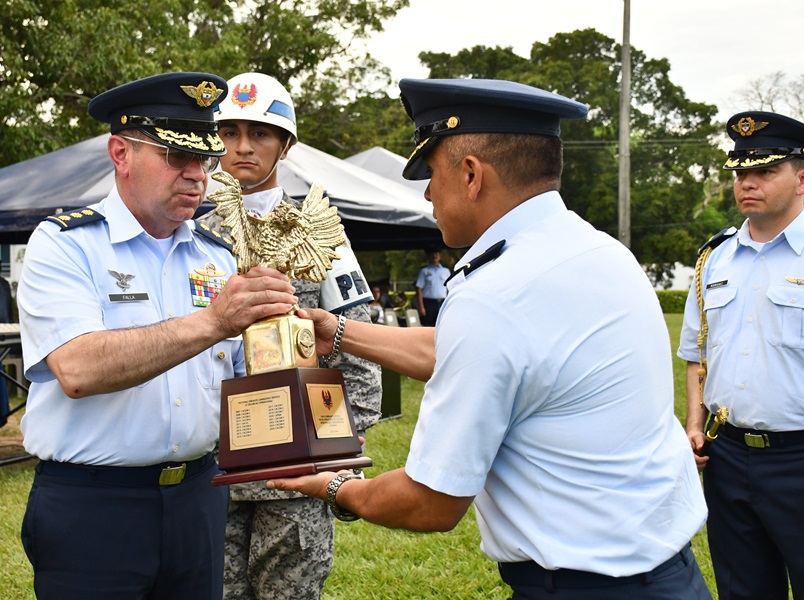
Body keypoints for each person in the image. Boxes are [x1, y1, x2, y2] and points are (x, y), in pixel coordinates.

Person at [270, 78, 712, 600]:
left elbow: (431, 501)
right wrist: (338, 330)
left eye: (431, 174)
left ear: (472, 174)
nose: (429, 193)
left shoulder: (495, 294)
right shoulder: (599, 251)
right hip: (670, 575)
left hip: (579, 586)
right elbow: (482, 353)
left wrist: (338, 487)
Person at [16, 72, 299, 600]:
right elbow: (78, 369)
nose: (198, 175)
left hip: (199, 498)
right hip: (95, 508)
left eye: (206, 159)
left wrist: (297, 353)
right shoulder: (67, 245)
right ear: (120, 153)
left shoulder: (217, 256)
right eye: (177, 156)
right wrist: (214, 322)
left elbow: (243, 383)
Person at [196, 72, 381, 600]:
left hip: (294, 464)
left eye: (260, 133)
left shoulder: (318, 234)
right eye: (229, 133)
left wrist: (346, 438)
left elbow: (358, 344)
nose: (242, 148)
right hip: (214, 463)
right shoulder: (191, 237)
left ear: (286, 145)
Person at [679, 111, 804, 600]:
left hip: (799, 457)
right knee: (742, 590)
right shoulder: (715, 258)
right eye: (740, 172)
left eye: (765, 171)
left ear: (801, 177)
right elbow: (697, 353)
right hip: (728, 455)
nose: (747, 183)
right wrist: (695, 422)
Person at [414, 247, 450, 325]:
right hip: (429, 303)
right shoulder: (424, 271)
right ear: (428, 257)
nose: (434, 256)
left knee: (443, 325)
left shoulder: (445, 271)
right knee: (428, 325)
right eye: (432, 254)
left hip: (442, 302)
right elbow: (419, 289)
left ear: (439, 256)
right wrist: (421, 307)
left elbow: (449, 287)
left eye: (436, 254)